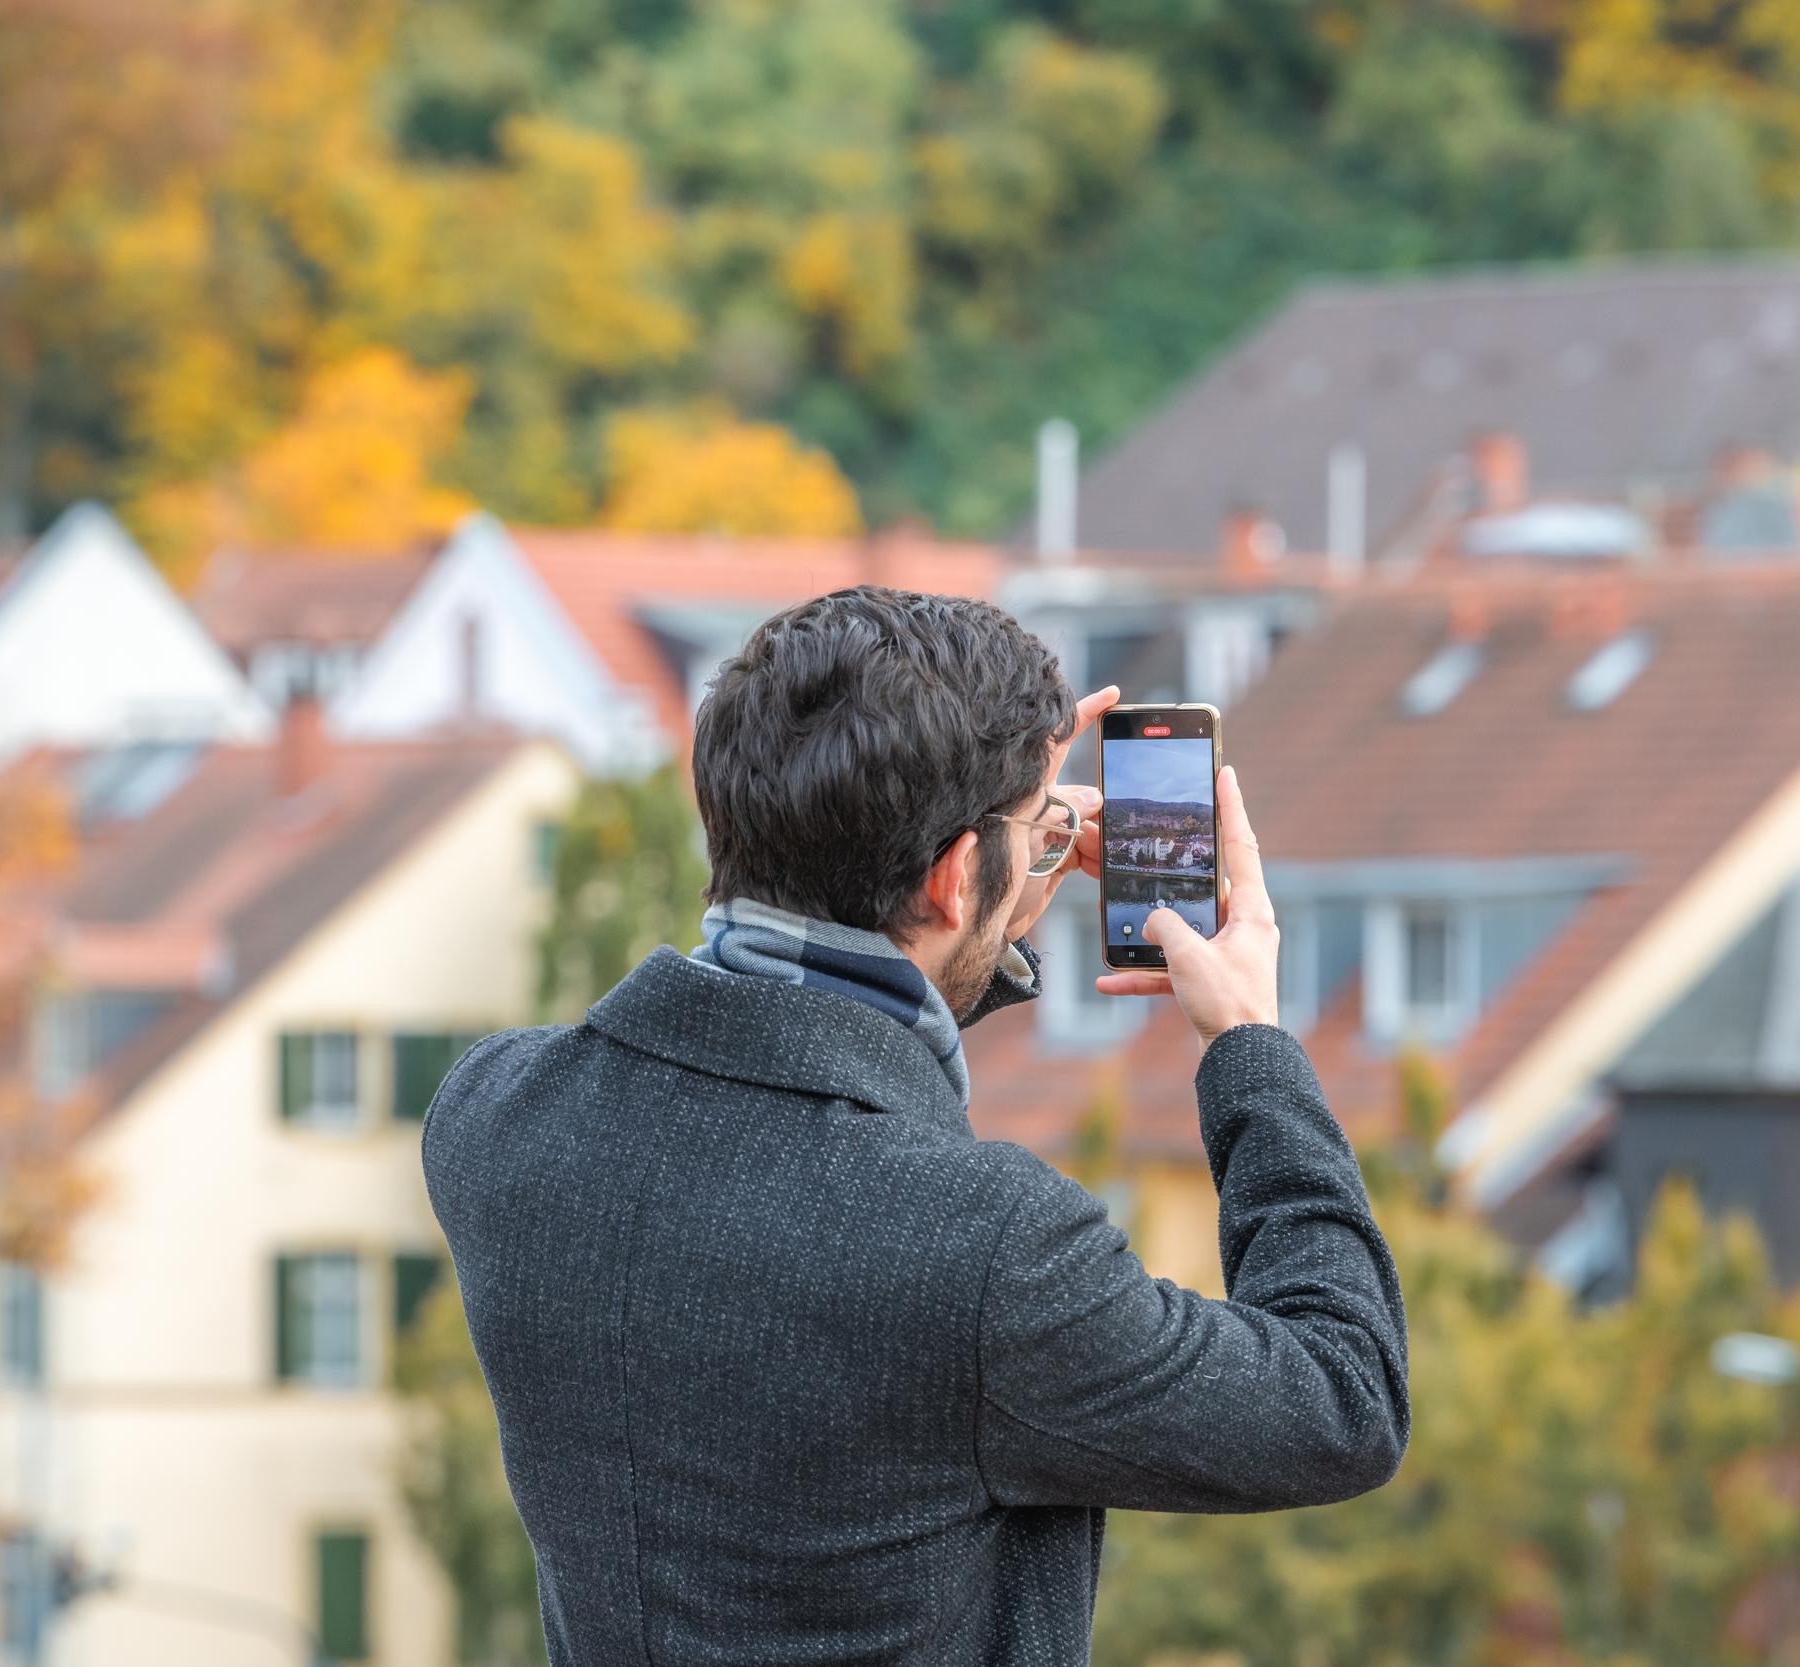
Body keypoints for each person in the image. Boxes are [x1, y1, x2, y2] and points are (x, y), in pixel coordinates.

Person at [422, 586, 1408, 1666]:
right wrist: (1248, 1043)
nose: (1053, 844)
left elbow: (771, 1073)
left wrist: (998, 868)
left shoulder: (496, 1119)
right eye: (1039, 831)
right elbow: (1341, 1396)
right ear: (948, 880)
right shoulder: (988, 1252)